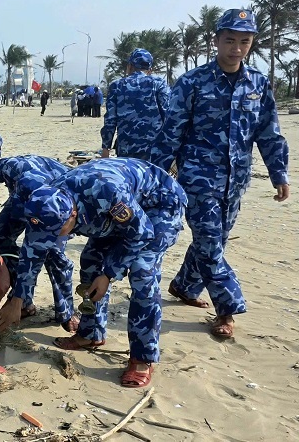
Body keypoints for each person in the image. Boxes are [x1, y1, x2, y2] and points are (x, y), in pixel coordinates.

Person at [149, 8, 290, 340]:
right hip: (198, 179)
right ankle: (227, 309)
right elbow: (171, 133)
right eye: (230, 40)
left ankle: (184, 285)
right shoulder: (192, 83)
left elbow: (268, 133)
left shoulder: (258, 84)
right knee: (211, 245)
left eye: (244, 41)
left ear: (252, 43)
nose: (236, 48)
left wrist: (279, 173)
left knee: (214, 241)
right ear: (216, 41)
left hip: (236, 180)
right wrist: (154, 176)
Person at [26, 158, 187, 388]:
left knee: (143, 273)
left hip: (159, 205)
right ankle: (91, 333)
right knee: (91, 260)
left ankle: (143, 357)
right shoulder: (48, 199)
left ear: (72, 216)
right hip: (114, 210)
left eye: (57, 232)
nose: (54, 237)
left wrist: (109, 274)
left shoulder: (108, 194)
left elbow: (141, 234)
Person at [0, 155, 77, 331]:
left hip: (54, 211)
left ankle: (66, 313)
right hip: (23, 201)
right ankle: (23, 302)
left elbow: (33, 256)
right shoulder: (13, 167)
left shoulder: (58, 194)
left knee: (54, 258)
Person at [100, 48, 169, 160]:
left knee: (131, 177)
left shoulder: (116, 86)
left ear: (130, 66)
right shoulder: (159, 84)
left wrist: (105, 148)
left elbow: (110, 120)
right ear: (150, 69)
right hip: (154, 149)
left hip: (126, 148)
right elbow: (168, 116)